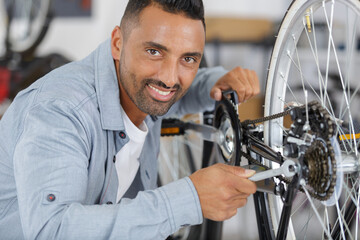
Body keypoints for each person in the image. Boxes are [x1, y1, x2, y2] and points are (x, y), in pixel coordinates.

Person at [0, 0, 260, 239]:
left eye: (188, 58)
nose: (170, 78)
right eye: (154, 52)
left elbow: (179, 92)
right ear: (117, 43)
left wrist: (214, 82)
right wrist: (189, 199)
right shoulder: (59, 111)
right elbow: (53, 231)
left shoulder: (142, 89)